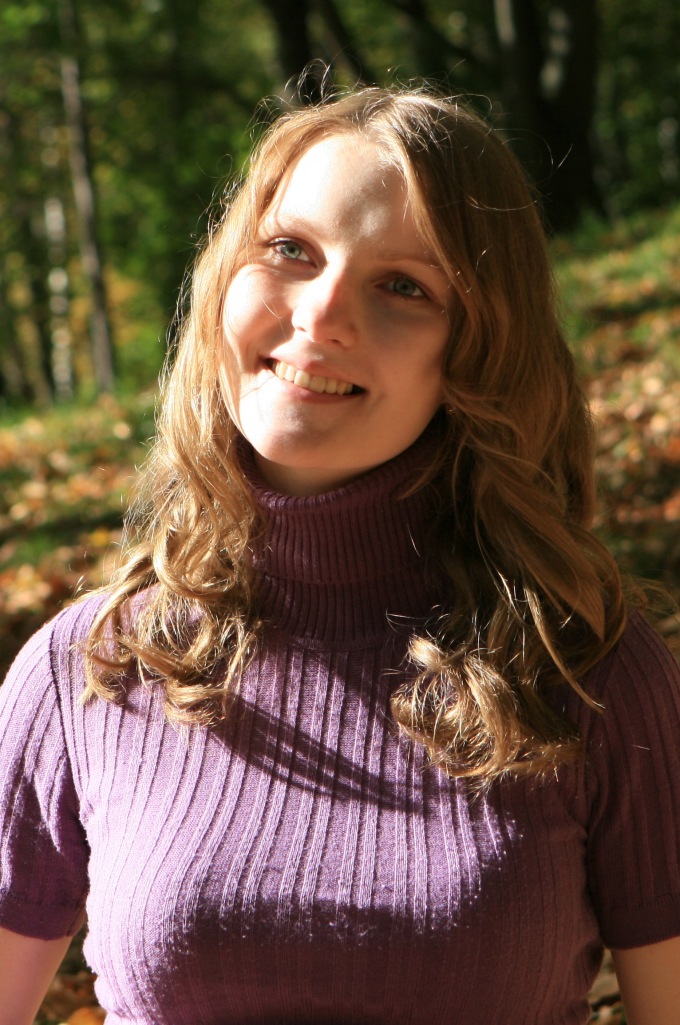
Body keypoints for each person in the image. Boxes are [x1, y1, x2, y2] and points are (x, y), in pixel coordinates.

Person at [1, 85, 679, 1025]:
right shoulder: (86, 670)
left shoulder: (589, 671)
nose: (320, 316)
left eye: (404, 286)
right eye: (290, 250)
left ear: (477, 352)